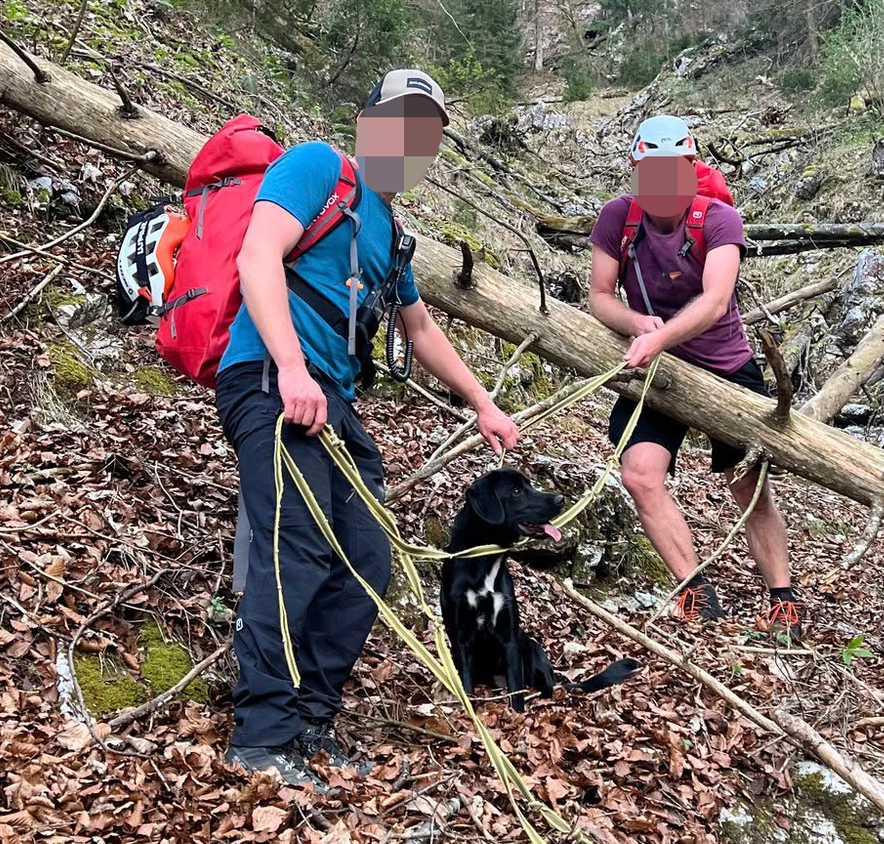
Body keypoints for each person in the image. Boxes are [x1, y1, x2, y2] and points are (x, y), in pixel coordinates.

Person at [217, 69, 520, 788]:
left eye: (425, 137)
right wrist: (291, 369)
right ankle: (263, 736)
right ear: (368, 123)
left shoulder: (392, 230)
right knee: (295, 553)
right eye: (400, 126)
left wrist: (483, 402)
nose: (409, 144)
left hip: (335, 404)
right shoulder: (319, 166)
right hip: (269, 380)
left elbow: (419, 329)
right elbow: (257, 256)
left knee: (367, 562)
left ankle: (312, 722)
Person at [587, 114, 802, 641]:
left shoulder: (719, 219)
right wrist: (636, 322)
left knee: (746, 483)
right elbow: (598, 297)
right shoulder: (617, 219)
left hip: (724, 367)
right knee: (640, 474)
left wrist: (659, 336)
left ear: (689, 168)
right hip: (654, 368)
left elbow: (715, 300)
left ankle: (782, 597)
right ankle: (694, 590)